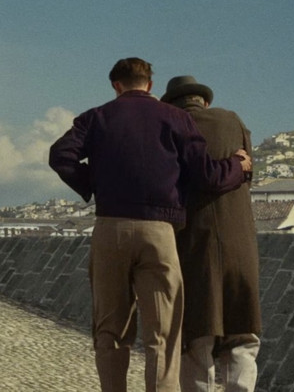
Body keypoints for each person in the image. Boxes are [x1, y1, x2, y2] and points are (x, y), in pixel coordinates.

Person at [49, 58, 252, 392]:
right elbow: (206, 176)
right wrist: (237, 165)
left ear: (116, 85)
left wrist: (95, 184)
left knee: (110, 329)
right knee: (163, 334)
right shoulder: (175, 118)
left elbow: (60, 155)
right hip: (159, 232)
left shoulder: (96, 117)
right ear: (150, 85)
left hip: (111, 228)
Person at [160, 76, 263, 392]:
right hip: (239, 243)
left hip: (194, 243)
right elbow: (247, 170)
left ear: (172, 105)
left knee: (197, 336)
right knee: (242, 335)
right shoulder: (232, 121)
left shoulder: (170, 129)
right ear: (203, 101)